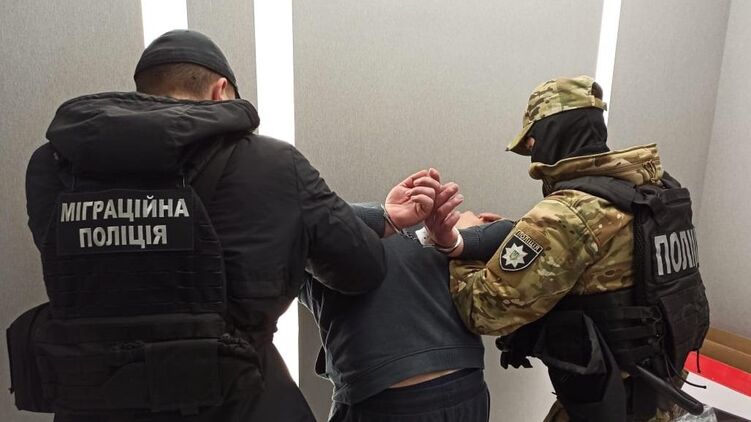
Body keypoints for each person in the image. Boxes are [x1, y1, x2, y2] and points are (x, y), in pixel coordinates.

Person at [14, 30, 440, 422]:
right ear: (221, 91)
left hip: (94, 405)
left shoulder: (53, 167)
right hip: (244, 404)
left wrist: (377, 215)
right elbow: (360, 269)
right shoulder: (273, 162)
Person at [429, 76, 710, 421]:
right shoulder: (652, 190)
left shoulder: (567, 214)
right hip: (660, 396)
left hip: (605, 408)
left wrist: (463, 239)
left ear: (551, 133)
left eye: (532, 139)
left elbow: (484, 310)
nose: (531, 148)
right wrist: (523, 235)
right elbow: (610, 262)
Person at [302, 181, 512, 422]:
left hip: (423, 391)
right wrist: (386, 217)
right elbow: (302, 218)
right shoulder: (416, 227)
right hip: (450, 390)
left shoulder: (447, 239)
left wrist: (458, 241)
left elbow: (515, 232)